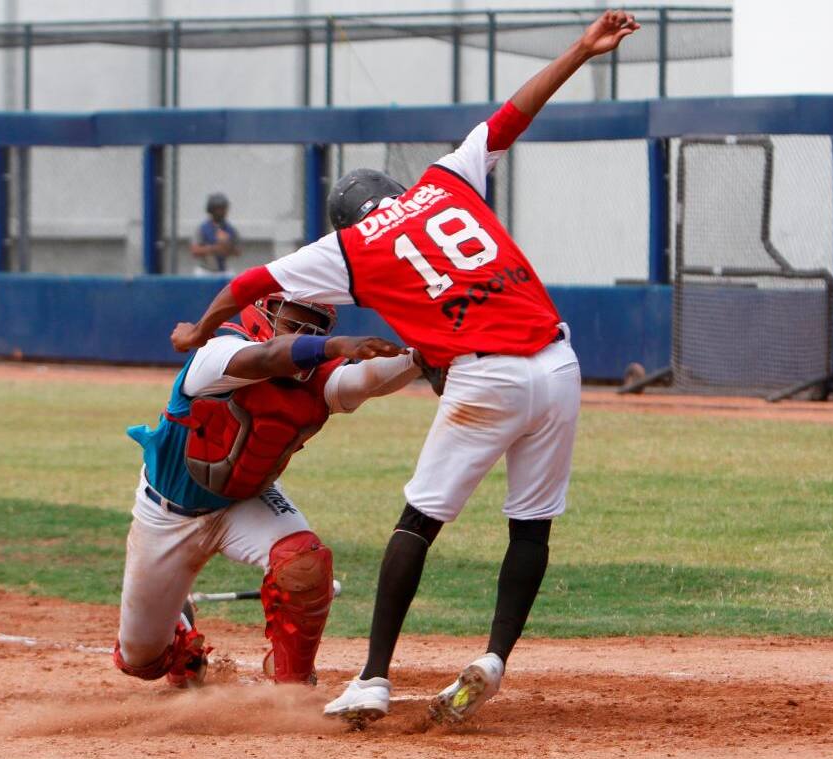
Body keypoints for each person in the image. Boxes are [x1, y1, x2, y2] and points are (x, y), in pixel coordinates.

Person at [169, 10, 639, 721]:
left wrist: (197, 328)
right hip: (560, 362)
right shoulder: (446, 180)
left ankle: (374, 676)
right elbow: (514, 114)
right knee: (531, 528)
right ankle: (495, 657)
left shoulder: (352, 247)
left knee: (416, 524)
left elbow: (251, 285)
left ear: (345, 218)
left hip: (491, 374)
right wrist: (582, 47)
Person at [114, 293, 420, 688]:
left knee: (304, 563)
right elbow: (268, 357)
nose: (307, 335)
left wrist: (425, 353)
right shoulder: (217, 353)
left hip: (245, 501)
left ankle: (292, 682)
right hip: (168, 512)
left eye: (317, 328)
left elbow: (369, 378)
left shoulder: (320, 380)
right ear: (261, 315)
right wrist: (331, 346)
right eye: (295, 324)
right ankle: (181, 637)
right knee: (141, 660)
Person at [190, 192, 241, 275]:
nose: (221, 212)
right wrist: (214, 248)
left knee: (232, 279)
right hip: (205, 270)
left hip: (223, 270)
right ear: (211, 210)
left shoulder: (230, 229)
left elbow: (237, 252)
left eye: (223, 209)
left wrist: (226, 245)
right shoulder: (203, 228)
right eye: (218, 209)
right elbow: (195, 250)